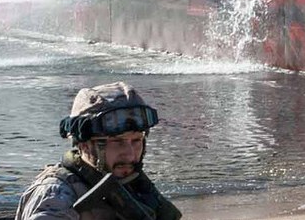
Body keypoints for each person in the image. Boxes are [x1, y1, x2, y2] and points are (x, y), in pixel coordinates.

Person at [16, 82, 182, 220]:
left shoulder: (130, 183)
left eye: (136, 140)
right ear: (84, 145)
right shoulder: (57, 194)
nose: (130, 154)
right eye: (117, 142)